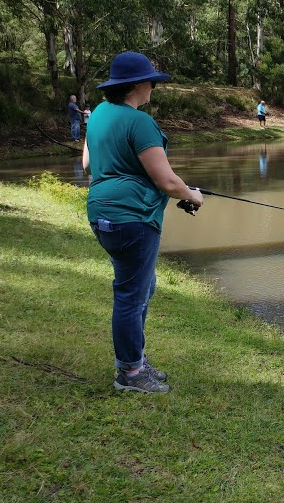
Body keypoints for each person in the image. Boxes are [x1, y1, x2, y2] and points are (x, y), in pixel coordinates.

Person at [81, 51, 204, 394]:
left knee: (141, 286)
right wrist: (193, 196)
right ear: (137, 85)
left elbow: (88, 163)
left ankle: (133, 358)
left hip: (101, 212)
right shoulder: (140, 122)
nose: (153, 86)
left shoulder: (99, 114)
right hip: (132, 218)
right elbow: (166, 182)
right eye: (150, 81)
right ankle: (131, 373)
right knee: (132, 294)